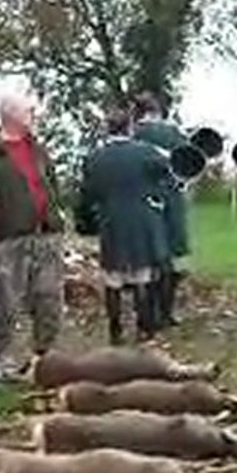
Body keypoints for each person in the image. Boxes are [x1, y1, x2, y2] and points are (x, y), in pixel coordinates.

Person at [0, 94, 65, 375]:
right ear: (10, 114)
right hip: (9, 238)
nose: (34, 115)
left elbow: (50, 183)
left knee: (49, 296)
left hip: (46, 235)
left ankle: (43, 355)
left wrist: (57, 213)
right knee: (6, 301)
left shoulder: (38, 148)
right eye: (29, 111)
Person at [78, 107, 170, 344]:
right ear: (129, 127)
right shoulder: (146, 153)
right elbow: (169, 171)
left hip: (112, 220)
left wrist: (89, 220)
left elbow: (88, 194)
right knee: (143, 274)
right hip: (141, 219)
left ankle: (115, 330)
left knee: (113, 277)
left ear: (108, 128)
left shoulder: (95, 157)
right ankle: (144, 327)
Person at [131, 91, 190, 328]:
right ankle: (166, 312)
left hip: (145, 199)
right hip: (173, 198)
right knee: (170, 259)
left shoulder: (134, 134)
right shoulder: (174, 132)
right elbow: (189, 161)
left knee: (149, 260)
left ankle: (150, 313)